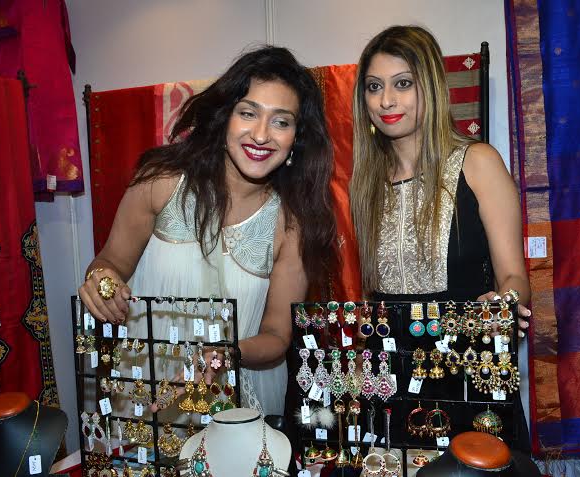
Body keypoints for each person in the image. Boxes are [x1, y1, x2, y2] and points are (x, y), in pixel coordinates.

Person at [78, 46, 336, 416]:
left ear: (297, 137)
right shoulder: (161, 182)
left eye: (281, 122)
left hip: (238, 402)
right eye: (248, 113)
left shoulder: (292, 224)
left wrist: (227, 354)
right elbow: (109, 262)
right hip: (147, 392)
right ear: (224, 116)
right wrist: (100, 280)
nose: (261, 135)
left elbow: (278, 335)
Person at [350, 25, 532, 448]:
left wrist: (504, 305)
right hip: (391, 381)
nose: (386, 100)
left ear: (430, 87)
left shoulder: (478, 162)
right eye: (374, 86)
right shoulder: (364, 183)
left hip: (468, 369)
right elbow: (372, 296)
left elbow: (515, 277)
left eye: (402, 84)